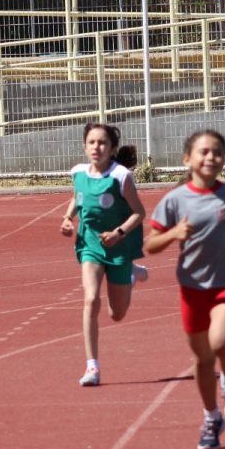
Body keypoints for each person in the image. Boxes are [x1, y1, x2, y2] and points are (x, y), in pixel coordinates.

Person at [145, 130, 225, 449]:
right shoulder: (175, 199)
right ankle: (212, 417)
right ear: (188, 159)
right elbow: (150, 245)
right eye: (204, 152)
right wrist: (173, 234)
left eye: (216, 152)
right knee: (201, 360)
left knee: (221, 340)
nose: (210, 157)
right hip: (192, 288)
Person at [60, 123, 147, 387]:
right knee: (90, 300)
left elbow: (139, 213)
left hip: (119, 247)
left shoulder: (120, 176)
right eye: (92, 142)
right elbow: (78, 197)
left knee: (116, 314)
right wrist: (67, 218)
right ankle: (92, 367)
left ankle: (130, 274)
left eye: (102, 143)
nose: (96, 147)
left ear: (111, 149)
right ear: (84, 146)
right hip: (90, 245)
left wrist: (119, 233)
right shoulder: (78, 173)